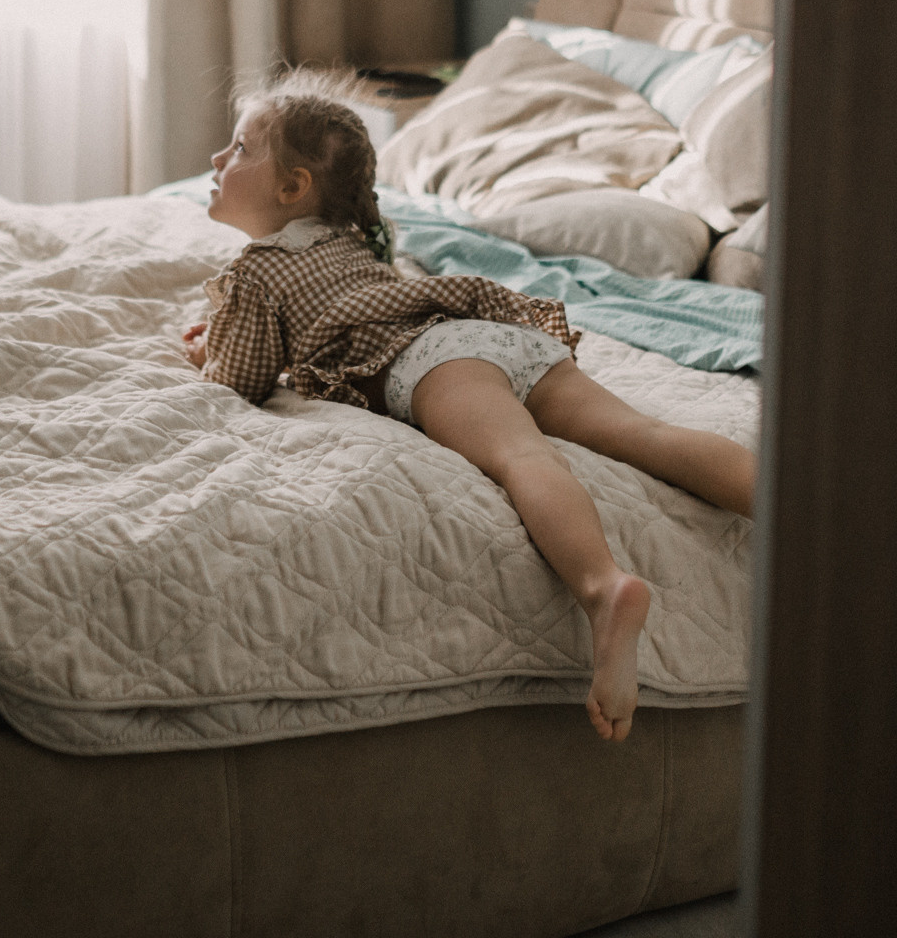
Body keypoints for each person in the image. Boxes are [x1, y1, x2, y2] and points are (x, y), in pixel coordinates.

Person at [178, 70, 757, 742]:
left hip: (435, 362)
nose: (219, 160)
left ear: (292, 189)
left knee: (520, 456)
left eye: (240, 148)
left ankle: (604, 588)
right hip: (492, 331)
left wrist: (206, 354)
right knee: (646, 432)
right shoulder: (361, 240)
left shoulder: (258, 270)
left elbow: (241, 379)